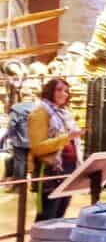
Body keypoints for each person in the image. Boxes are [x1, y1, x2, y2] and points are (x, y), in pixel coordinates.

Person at [27, 77, 82, 221]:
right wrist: (66, 138)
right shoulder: (40, 113)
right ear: (49, 91)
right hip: (50, 171)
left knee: (60, 213)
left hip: (67, 169)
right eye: (59, 90)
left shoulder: (63, 113)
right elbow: (38, 147)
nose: (64, 94)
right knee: (47, 215)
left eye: (66, 91)